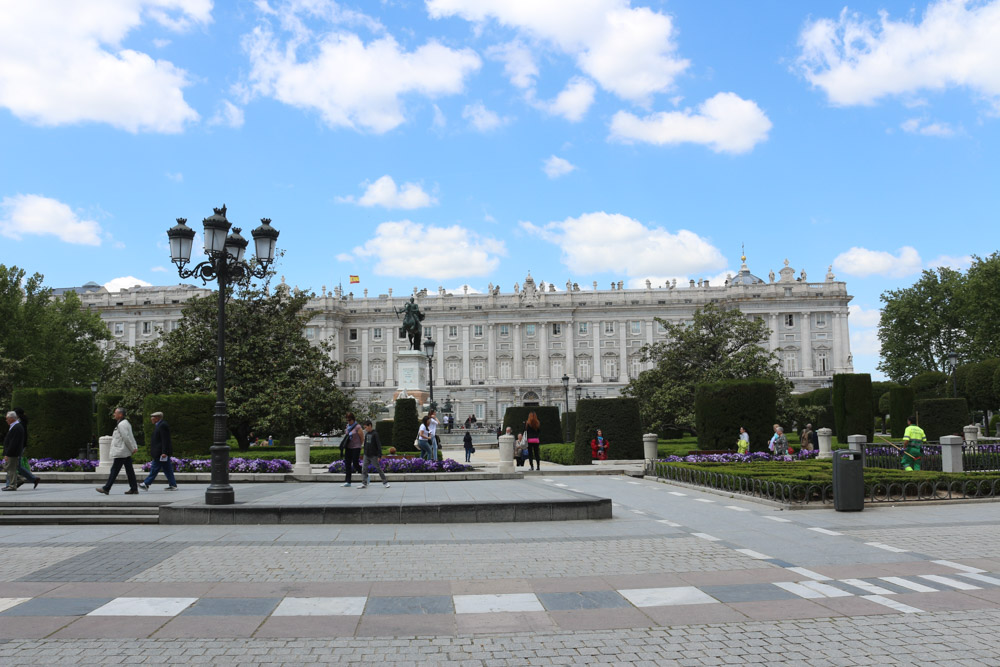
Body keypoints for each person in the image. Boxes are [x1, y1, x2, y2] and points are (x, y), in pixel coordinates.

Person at [97, 408, 139, 495]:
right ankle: (134, 488)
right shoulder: (126, 423)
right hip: (124, 451)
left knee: (115, 470)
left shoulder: (122, 425)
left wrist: (132, 448)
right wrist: (134, 447)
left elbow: (126, 438)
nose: (114, 414)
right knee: (129, 470)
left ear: (120, 415)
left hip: (121, 451)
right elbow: (131, 436)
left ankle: (106, 488)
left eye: (115, 413)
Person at [139, 411, 177, 491]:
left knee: (155, 468)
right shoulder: (160, 425)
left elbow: (165, 440)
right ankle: (173, 485)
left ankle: (146, 483)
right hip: (161, 452)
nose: (151, 419)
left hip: (160, 453)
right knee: (167, 469)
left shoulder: (163, 425)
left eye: (153, 417)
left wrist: (164, 452)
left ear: (157, 418)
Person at [12, 407, 39, 489]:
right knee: (17, 465)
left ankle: (15, 482)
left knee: (14, 465)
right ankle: (33, 479)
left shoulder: (20, 423)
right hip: (20, 446)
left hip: (19, 446)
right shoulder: (22, 422)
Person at [359, 419, 390, 489]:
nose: (365, 429)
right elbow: (366, 444)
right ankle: (364, 483)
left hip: (373, 455)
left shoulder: (375, 434)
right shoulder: (366, 435)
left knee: (378, 468)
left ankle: (385, 482)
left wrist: (379, 455)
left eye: (366, 427)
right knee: (364, 469)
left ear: (370, 426)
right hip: (366, 455)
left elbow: (378, 445)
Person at [3, 411, 26, 491]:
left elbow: (13, 443)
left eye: (7, 418)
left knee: (10, 469)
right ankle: (20, 479)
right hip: (14, 452)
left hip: (13, 453)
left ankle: (12, 485)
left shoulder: (16, 427)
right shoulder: (15, 426)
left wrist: (7, 454)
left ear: (12, 418)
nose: (6, 420)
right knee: (8, 468)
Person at [341, 412, 364, 487]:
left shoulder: (358, 427)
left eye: (350, 420)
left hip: (356, 447)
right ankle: (348, 481)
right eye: (347, 420)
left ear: (353, 419)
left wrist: (359, 446)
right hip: (348, 447)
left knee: (355, 464)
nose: (349, 422)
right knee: (347, 464)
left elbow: (362, 438)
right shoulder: (347, 426)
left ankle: (364, 475)